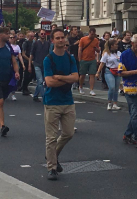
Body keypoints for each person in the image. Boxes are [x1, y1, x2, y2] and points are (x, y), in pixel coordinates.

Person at [43, 28, 79, 181]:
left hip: (68, 102)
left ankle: (52, 155)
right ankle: (52, 167)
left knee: (68, 133)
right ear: (52, 40)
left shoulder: (70, 58)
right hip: (52, 103)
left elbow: (76, 77)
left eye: (62, 38)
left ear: (65, 40)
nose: (60, 40)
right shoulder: (48, 59)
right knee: (51, 137)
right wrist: (67, 78)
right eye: (57, 38)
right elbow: (49, 82)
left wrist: (59, 77)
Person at [118, 34, 137, 148]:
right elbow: (121, 72)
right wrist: (135, 72)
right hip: (130, 88)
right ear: (132, 44)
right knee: (134, 113)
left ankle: (127, 134)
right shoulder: (124, 55)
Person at [96, 38, 122, 110]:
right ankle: (109, 102)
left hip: (117, 71)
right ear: (111, 46)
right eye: (116, 44)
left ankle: (115, 104)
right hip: (109, 71)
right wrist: (98, 72)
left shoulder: (119, 53)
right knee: (112, 87)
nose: (117, 46)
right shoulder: (106, 54)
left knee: (116, 88)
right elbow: (102, 64)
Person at [78, 27, 100, 96]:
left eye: (94, 34)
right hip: (84, 59)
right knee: (82, 75)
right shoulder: (83, 39)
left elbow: (98, 50)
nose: (92, 36)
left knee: (92, 74)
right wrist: (79, 59)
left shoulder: (96, 40)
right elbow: (80, 49)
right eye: (91, 34)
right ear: (89, 33)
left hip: (92, 59)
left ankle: (91, 89)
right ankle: (80, 87)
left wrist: (96, 50)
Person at [30, 30, 50, 103]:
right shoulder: (35, 43)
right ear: (38, 34)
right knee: (40, 81)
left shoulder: (47, 43)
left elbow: (49, 54)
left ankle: (35, 95)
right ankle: (44, 97)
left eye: (44, 34)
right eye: (41, 34)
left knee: (42, 82)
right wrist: (29, 65)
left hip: (45, 64)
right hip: (37, 64)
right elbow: (31, 54)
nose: (43, 35)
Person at [7, 34, 25, 101]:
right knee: (8, 79)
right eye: (10, 37)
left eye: (13, 37)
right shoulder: (7, 46)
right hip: (8, 64)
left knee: (15, 79)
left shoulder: (17, 46)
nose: (12, 39)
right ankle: (7, 92)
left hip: (16, 64)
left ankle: (13, 94)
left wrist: (23, 64)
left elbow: (20, 56)